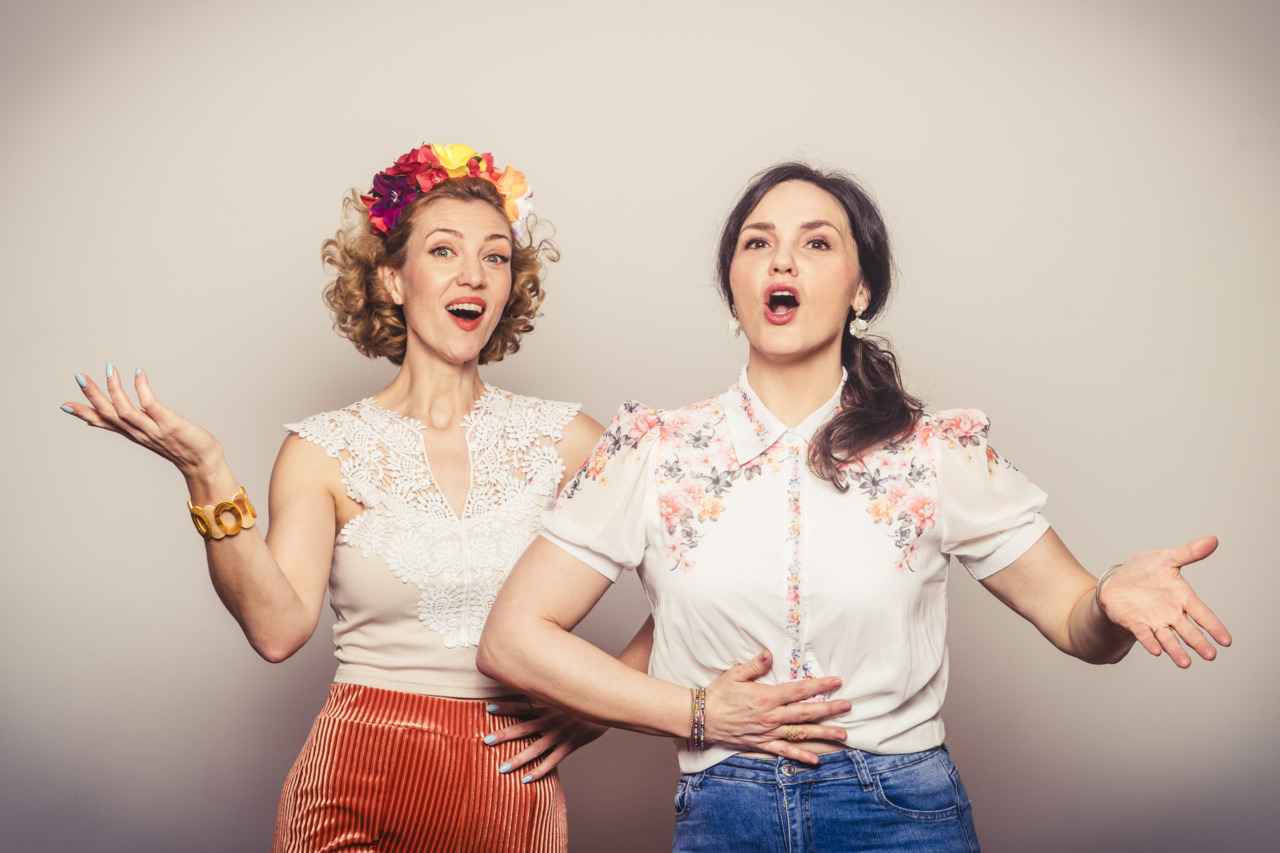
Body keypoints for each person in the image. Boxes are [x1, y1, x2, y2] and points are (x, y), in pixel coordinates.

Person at [476, 162, 1233, 852]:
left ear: (860, 288)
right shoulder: (653, 450)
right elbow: (513, 639)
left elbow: (1078, 624)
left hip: (901, 813)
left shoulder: (937, 453)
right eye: (757, 243)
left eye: (816, 243)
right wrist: (695, 711)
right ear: (734, 286)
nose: (782, 260)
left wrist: (1108, 596)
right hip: (724, 813)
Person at [62, 142, 614, 852]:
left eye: (496, 256)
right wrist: (208, 474)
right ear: (391, 278)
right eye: (444, 251)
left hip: (509, 787)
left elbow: (693, 576)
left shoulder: (569, 441)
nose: (473, 274)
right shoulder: (323, 448)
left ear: (511, 282)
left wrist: (600, 709)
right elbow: (277, 629)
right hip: (352, 784)